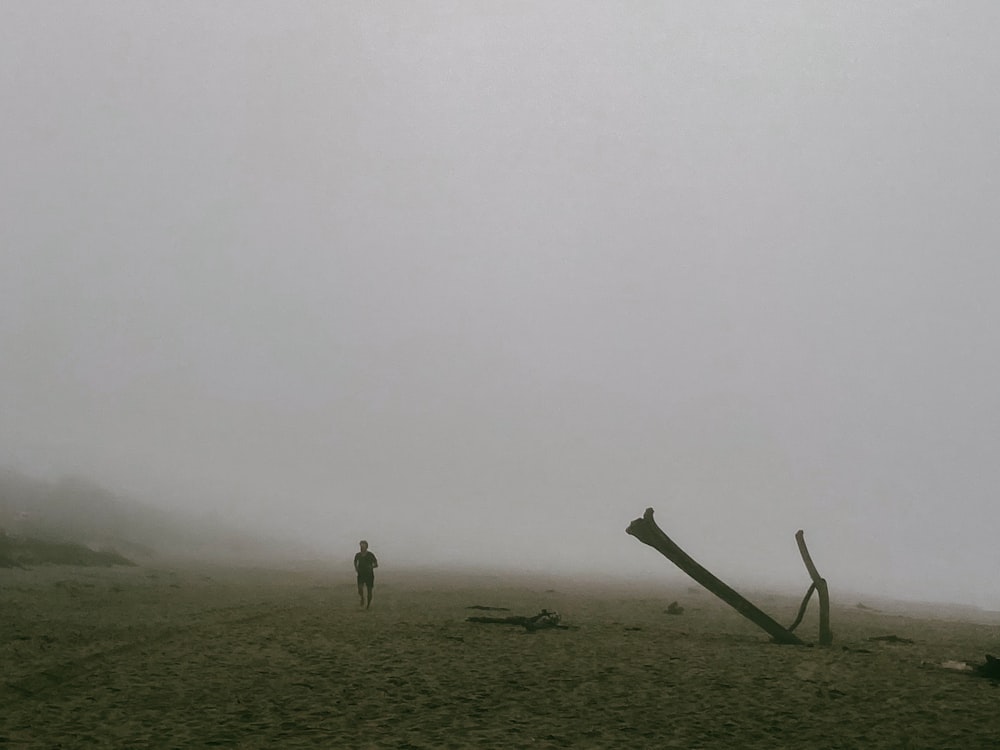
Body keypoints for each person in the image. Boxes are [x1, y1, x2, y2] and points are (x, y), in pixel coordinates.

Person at [354, 540, 378, 609]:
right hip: (361, 574)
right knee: (360, 589)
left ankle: (368, 605)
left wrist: (371, 567)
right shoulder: (358, 555)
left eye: (363, 545)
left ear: (366, 546)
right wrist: (356, 568)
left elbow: (376, 564)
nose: (362, 546)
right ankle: (362, 598)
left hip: (369, 574)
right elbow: (355, 561)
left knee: (369, 590)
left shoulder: (370, 555)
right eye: (361, 545)